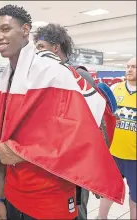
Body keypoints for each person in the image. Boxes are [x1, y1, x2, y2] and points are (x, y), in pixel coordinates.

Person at [0, 4, 124, 220]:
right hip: (14, 190)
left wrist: (21, 153)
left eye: (5, 29)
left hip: (51, 192)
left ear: (26, 30)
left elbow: (86, 131)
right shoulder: (7, 77)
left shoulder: (56, 72)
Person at [33, 23, 117, 219]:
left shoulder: (79, 76)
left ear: (56, 47)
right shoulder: (41, 77)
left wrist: (97, 172)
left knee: (75, 212)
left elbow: (98, 125)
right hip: (48, 162)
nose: (37, 52)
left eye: (41, 47)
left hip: (76, 166)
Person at [97, 57, 136, 220]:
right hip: (113, 153)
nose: (129, 69)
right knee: (108, 190)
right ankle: (101, 217)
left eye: (134, 67)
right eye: (127, 66)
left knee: (135, 197)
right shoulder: (114, 89)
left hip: (134, 158)